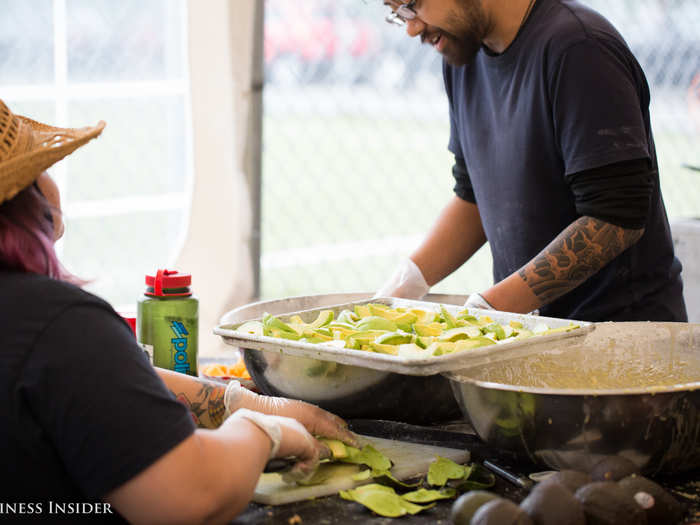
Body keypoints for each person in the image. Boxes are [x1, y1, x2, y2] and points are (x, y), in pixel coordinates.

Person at [0, 99, 356, 523]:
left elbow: (94, 386)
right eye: (42, 165)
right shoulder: (60, 325)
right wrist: (262, 433)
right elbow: (189, 496)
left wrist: (232, 401)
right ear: (25, 199)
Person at [376, 0, 687, 322]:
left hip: (620, 339)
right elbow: (474, 196)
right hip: (535, 328)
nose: (411, 28)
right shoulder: (463, 54)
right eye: (398, 14)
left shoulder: (579, 47)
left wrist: (485, 314)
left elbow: (615, 217)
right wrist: (400, 288)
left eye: (412, 5)